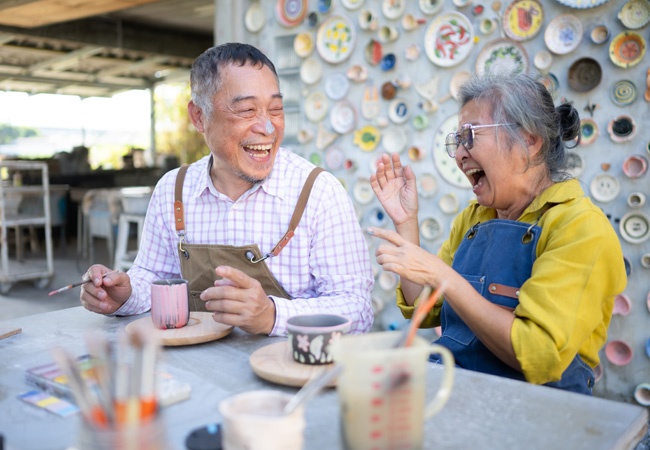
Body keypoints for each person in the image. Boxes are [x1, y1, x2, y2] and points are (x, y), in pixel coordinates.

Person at [80, 43, 374, 336]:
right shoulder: (173, 189)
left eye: (276, 109)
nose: (268, 128)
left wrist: (272, 315)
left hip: (292, 374)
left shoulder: (319, 192)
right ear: (199, 117)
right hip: (199, 373)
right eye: (246, 110)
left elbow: (357, 309)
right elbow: (155, 277)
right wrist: (125, 295)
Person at [368, 73, 626, 394]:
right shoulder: (474, 219)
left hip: (541, 407)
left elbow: (537, 354)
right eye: (458, 140)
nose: (460, 154)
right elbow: (425, 310)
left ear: (529, 141)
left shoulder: (581, 227)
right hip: (461, 387)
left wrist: (445, 278)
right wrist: (406, 223)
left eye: (470, 136)